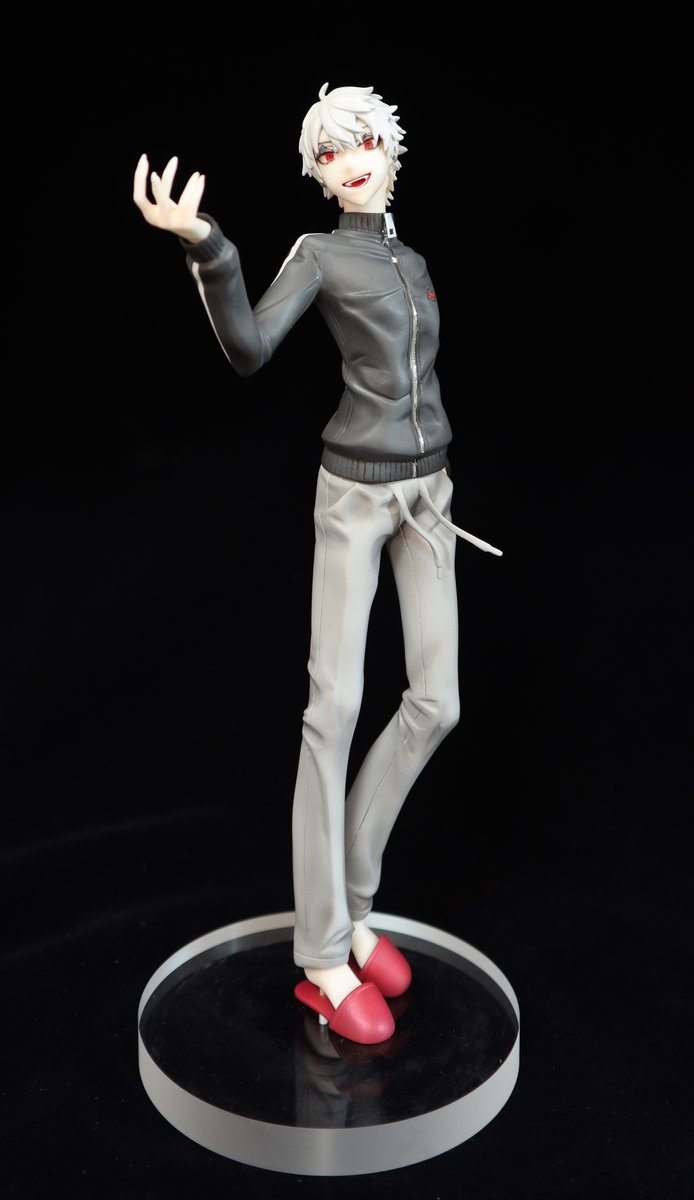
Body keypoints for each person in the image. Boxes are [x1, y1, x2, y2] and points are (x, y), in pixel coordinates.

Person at [134, 82, 501, 1045]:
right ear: (318, 172)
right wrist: (208, 247)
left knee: (437, 701)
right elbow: (250, 348)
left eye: (364, 142)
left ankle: (354, 900)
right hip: (354, 498)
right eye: (331, 153)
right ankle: (324, 955)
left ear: (391, 150)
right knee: (332, 711)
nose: (352, 162)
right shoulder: (319, 253)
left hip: (430, 495)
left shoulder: (412, 262)